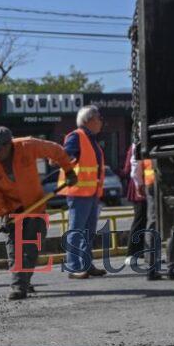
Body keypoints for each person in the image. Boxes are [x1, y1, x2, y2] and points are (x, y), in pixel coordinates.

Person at [0, 127, 75, 300]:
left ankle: (23, 280)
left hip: (35, 207)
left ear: (8, 145)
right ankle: (19, 286)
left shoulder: (28, 146)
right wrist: (2, 214)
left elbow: (56, 150)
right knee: (15, 251)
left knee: (31, 250)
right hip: (11, 212)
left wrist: (68, 170)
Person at [60, 105, 107, 279]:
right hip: (79, 192)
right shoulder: (76, 136)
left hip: (91, 192)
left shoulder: (91, 139)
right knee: (76, 230)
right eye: (99, 118)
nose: (101, 122)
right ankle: (73, 267)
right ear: (89, 120)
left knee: (88, 231)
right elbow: (65, 156)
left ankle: (86, 265)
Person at [122, 142, 149, 270]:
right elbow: (131, 167)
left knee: (147, 220)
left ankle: (145, 252)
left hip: (144, 183)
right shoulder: (137, 144)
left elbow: (128, 168)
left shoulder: (136, 143)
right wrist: (139, 184)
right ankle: (131, 253)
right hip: (141, 185)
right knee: (140, 219)